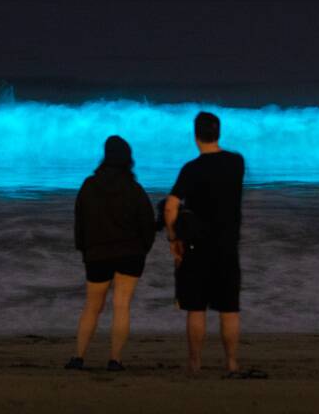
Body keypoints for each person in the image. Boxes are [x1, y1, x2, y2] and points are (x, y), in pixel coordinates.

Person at [164, 111, 246, 375]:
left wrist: (173, 238)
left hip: (196, 247)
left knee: (196, 308)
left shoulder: (191, 169)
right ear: (218, 133)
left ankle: (195, 363)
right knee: (229, 309)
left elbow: (170, 207)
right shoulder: (236, 163)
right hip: (227, 246)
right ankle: (232, 363)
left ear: (195, 136)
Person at [67, 135, 157, 371]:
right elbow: (147, 224)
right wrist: (143, 249)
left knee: (92, 306)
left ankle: (78, 357)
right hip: (130, 253)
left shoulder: (89, 185)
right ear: (128, 159)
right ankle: (115, 359)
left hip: (97, 254)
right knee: (121, 306)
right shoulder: (134, 189)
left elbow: (80, 222)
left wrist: (85, 249)